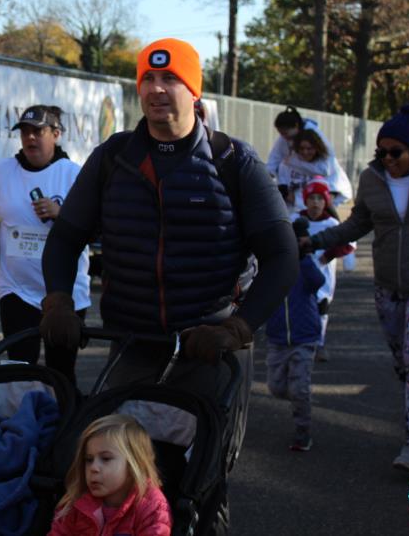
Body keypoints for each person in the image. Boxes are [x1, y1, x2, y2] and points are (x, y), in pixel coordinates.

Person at [41, 38, 296, 534]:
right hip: (132, 343)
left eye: (170, 79)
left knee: (200, 482)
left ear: (194, 90)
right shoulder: (114, 158)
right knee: (115, 477)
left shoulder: (234, 162)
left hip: (210, 349)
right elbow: (66, 237)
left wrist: (237, 329)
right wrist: (57, 300)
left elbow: (283, 257)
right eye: (148, 80)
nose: (157, 90)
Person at [303, 104, 409, 474]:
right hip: (387, 285)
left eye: (395, 152)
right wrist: (313, 241)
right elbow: (356, 224)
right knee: (403, 362)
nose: (388, 159)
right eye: (381, 152)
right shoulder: (372, 179)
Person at [0, 104, 91, 384]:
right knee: (19, 369)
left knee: (60, 372)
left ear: (56, 134)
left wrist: (61, 214)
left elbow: (95, 228)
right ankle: (22, 412)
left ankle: (63, 411)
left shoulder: (74, 174)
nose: (30, 138)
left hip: (65, 292)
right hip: (16, 289)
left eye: (38, 131)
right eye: (25, 132)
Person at [48, 414, 172, 536]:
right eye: (89, 460)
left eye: (106, 458)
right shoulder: (78, 502)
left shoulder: (151, 507)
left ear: (134, 464)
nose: (93, 468)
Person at [265, 217, 326, 453]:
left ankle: (303, 431)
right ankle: (301, 399)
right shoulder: (272, 268)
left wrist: (305, 257)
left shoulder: (305, 266)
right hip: (278, 338)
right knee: (276, 387)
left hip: (304, 337)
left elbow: (318, 281)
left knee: (299, 389)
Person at [296, 179, 356, 362]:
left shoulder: (332, 224)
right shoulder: (295, 220)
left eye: (320, 198)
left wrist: (329, 255)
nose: (315, 203)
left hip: (324, 276)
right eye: (311, 198)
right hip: (298, 276)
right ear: (305, 200)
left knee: (321, 309)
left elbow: (349, 244)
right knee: (298, 307)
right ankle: (298, 343)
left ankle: (318, 344)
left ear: (326, 201)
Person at [276, 128, 351, 215]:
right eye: (301, 148)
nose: (305, 152)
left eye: (309, 149)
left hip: (319, 212)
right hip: (293, 211)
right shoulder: (288, 163)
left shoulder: (328, 165)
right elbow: (284, 190)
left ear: (317, 148)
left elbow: (334, 192)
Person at [266, 105, 335, 178]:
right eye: (281, 133)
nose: (283, 137)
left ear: (296, 126)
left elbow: (325, 169)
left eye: (285, 133)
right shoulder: (287, 135)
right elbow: (275, 156)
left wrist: (294, 163)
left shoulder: (313, 135)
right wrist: (269, 174)